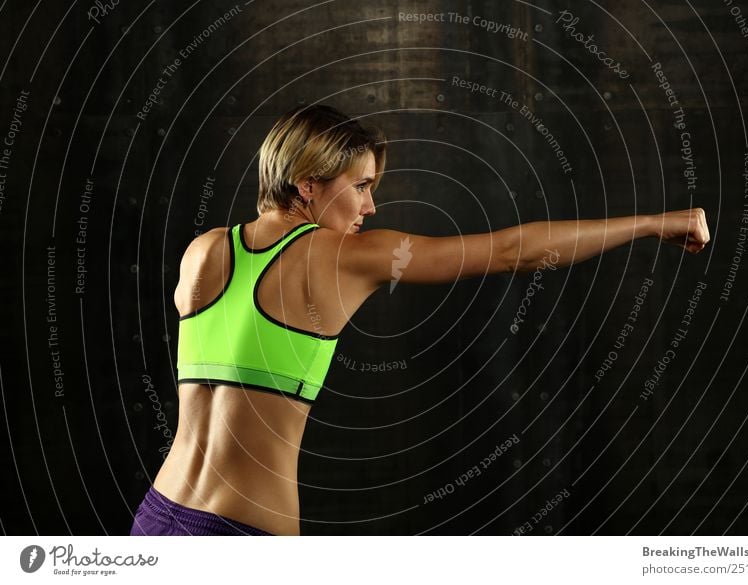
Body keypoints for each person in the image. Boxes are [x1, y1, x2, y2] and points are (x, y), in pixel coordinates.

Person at [129, 103, 710, 536]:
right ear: (307, 184)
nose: (370, 206)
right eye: (360, 186)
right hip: (241, 536)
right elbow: (513, 251)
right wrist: (656, 223)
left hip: (156, 518)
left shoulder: (203, 252)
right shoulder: (343, 261)